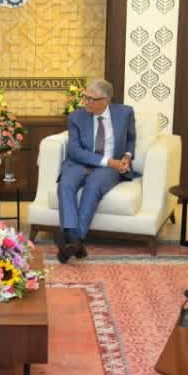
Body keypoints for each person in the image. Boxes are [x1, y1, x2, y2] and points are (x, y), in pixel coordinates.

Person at [56, 78, 136, 263]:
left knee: (93, 187)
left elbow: (131, 139)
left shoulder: (125, 113)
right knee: (65, 184)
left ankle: (70, 241)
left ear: (106, 100)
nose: (86, 102)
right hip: (80, 163)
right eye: (85, 97)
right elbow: (74, 151)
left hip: (109, 168)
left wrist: (127, 156)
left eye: (92, 99)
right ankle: (75, 240)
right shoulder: (76, 117)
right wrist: (108, 162)